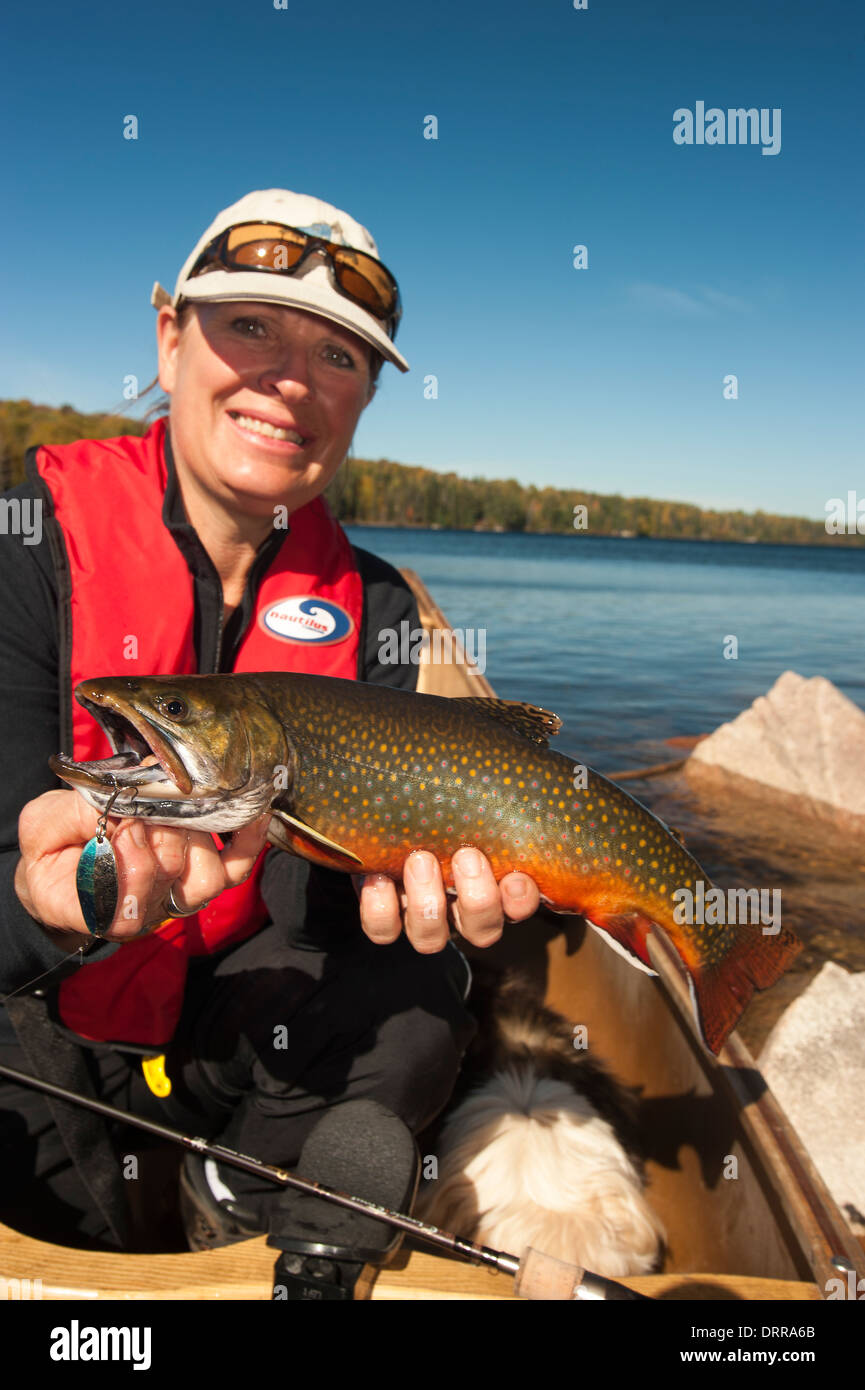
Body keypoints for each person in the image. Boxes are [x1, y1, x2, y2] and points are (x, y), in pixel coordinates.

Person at [0, 188, 541, 1293]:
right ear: (168, 336)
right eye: (249, 326)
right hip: (36, 1024)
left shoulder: (381, 607)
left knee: (421, 995)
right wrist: (40, 906)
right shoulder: (23, 545)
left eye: (339, 354)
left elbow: (355, 915)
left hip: (234, 1037)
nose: (291, 377)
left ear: (365, 397)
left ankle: (235, 1200)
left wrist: (428, 899)